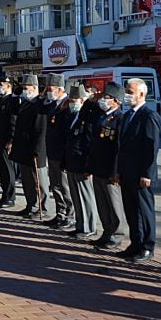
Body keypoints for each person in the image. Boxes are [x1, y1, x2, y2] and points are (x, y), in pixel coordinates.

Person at [116, 77, 161, 263]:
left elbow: (152, 148)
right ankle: (135, 243)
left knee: (144, 211)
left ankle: (147, 246)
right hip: (127, 172)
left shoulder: (149, 116)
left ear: (142, 94)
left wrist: (147, 173)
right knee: (131, 210)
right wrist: (119, 171)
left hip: (141, 174)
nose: (127, 95)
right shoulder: (127, 116)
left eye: (130, 92)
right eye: (126, 91)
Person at [86, 83, 129, 250]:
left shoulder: (120, 118)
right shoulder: (101, 116)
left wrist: (116, 172)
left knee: (114, 205)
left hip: (111, 170)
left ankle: (116, 235)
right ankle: (106, 232)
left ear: (116, 101)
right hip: (98, 167)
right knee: (102, 204)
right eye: (103, 97)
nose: (103, 100)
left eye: (107, 98)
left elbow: (119, 148)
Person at [11, 74, 50, 219]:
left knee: (38, 182)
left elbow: (41, 130)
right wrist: (15, 94)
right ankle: (30, 204)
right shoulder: (25, 102)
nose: (24, 91)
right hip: (23, 148)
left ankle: (42, 207)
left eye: (26, 88)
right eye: (22, 88)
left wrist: (37, 151)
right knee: (27, 181)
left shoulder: (39, 104)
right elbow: (13, 109)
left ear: (34, 88)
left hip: (34, 150)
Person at [64, 85, 99, 240]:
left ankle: (88, 227)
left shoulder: (89, 119)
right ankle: (80, 224)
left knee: (85, 196)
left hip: (82, 163)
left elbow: (90, 143)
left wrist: (89, 165)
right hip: (72, 161)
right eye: (70, 100)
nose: (72, 103)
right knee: (76, 196)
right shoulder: (74, 117)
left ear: (83, 101)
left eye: (75, 100)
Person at [44, 74, 75, 230]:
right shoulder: (53, 104)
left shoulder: (68, 105)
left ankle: (70, 216)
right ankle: (60, 214)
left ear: (60, 89)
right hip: (52, 151)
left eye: (50, 89)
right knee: (55, 185)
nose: (48, 92)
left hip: (61, 153)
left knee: (64, 186)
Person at [0, 76, 20, 209]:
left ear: (8, 85)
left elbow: (13, 122)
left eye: (2, 84)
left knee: (8, 170)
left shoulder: (12, 101)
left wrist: (11, 141)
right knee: (2, 169)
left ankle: (10, 197)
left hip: (6, 140)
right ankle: (4, 195)